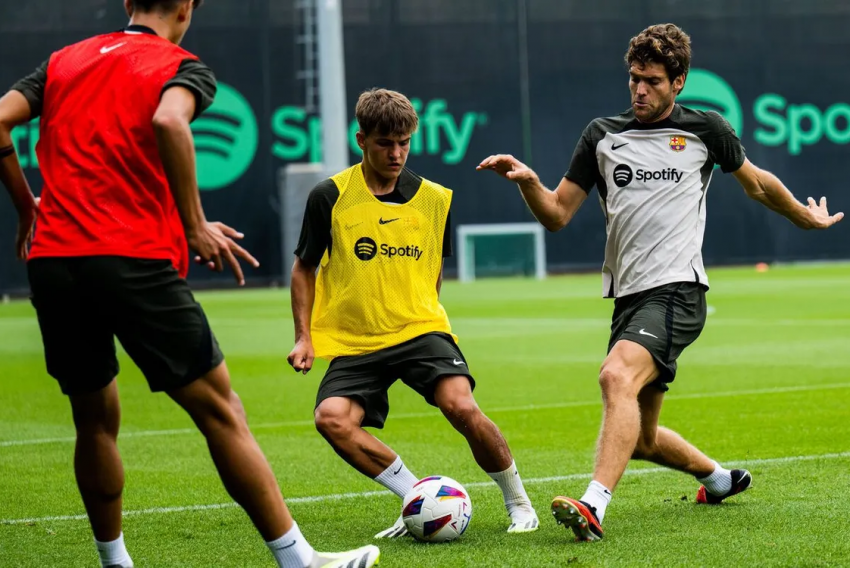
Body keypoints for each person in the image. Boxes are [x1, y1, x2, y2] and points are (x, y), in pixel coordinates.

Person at [0, 1, 380, 567]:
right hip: (130, 258)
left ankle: (115, 561)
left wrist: (27, 210)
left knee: (94, 420)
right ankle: (300, 561)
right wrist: (195, 224)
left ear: (128, 2)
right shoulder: (180, 65)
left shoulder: (63, 61)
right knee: (222, 411)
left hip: (55, 260)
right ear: (186, 7)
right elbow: (168, 121)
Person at [477, 23, 843, 542]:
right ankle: (718, 479)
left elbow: (758, 184)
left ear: (679, 82)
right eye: (633, 79)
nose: (639, 90)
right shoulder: (602, 135)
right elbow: (557, 213)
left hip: (678, 291)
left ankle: (593, 505)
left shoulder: (705, 129)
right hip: (629, 299)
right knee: (641, 438)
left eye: (651, 80)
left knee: (614, 377)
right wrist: (530, 183)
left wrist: (805, 219)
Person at [288, 88, 539, 539]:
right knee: (331, 419)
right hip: (356, 340)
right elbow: (304, 268)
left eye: (404, 142)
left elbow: (434, 270)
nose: (396, 152)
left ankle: (519, 503)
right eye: (385, 143)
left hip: (419, 328)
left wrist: (423, 313)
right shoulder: (329, 196)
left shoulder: (434, 199)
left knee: (460, 406)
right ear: (361, 139)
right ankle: (415, 496)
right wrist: (304, 337)